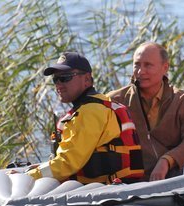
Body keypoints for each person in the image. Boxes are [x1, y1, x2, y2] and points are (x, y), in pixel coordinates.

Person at [15, 52, 144, 184]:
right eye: (55, 79)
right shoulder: (98, 105)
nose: (58, 84)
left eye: (65, 78)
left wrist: (27, 177)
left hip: (109, 191)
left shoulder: (90, 111)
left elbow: (68, 163)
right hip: (112, 187)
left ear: (87, 79)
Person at [107, 42, 184, 181]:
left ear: (165, 67)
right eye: (137, 65)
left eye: (148, 65)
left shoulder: (182, 100)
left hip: (173, 175)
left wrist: (166, 160)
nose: (141, 71)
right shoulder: (114, 101)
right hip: (129, 181)